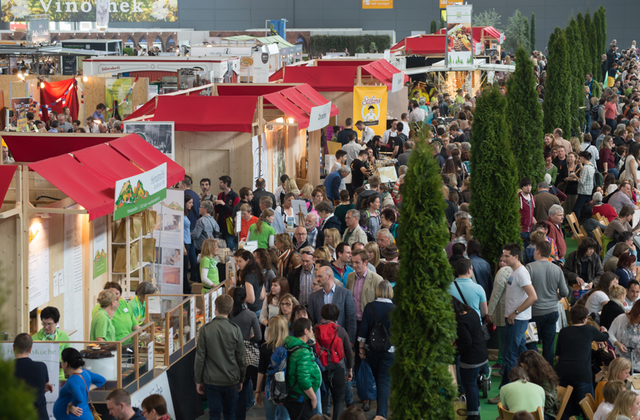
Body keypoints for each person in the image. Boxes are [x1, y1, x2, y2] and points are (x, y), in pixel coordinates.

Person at [195, 294, 246, 420]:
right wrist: (241, 379)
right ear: (230, 309)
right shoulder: (235, 330)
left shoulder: (205, 330)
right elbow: (241, 358)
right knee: (230, 414)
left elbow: (200, 358)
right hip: (231, 379)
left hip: (211, 380)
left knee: (214, 414)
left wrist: (198, 380)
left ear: (215, 307)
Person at [555, 305, 609, 419]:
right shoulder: (590, 330)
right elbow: (604, 337)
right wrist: (604, 331)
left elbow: (557, 357)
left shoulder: (563, 331)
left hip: (562, 372)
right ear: (585, 319)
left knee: (565, 407)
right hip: (582, 373)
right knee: (588, 409)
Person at [525, 240, 569, 366]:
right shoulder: (557, 269)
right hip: (551, 311)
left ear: (538, 251)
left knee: (531, 342)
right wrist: (556, 296)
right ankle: (547, 371)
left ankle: (534, 368)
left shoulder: (529, 268)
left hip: (533, 313)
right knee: (548, 345)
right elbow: (565, 292)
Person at [450, 296, 487, 420]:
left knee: (469, 385)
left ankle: (472, 415)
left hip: (471, 358)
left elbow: (466, 342)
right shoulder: (471, 311)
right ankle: (475, 410)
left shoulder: (459, 320)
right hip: (481, 352)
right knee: (473, 384)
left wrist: (454, 352)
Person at [229, 287, 262, 420]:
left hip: (230, 353)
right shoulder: (251, 315)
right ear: (244, 299)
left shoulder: (229, 315)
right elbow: (259, 337)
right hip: (246, 355)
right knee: (244, 385)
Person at [317, 304, 354, 419]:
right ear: (337, 315)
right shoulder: (340, 330)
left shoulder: (315, 329)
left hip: (321, 369)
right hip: (338, 368)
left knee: (323, 399)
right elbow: (348, 352)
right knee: (339, 399)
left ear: (321, 314)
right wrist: (350, 369)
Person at [282, 318, 322, 420]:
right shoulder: (302, 351)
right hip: (300, 397)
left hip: (292, 395)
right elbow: (303, 380)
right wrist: (313, 398)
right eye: (311, 329)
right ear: (305, 331)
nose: (312, 331)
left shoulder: (289, 344)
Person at [53, 348, 106, 420]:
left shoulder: (72, 381)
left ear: (66, 363)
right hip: (84, 415)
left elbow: (79, 398)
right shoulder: (86, 373)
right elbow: (102, 380)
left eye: (62, 361)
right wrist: (86, 388)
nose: (61, 364)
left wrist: (71, 405)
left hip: (75, 417)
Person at [309, 266, 357, 345]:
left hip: (339, 341)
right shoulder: (313, 297)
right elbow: (312, 320)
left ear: (329, 277)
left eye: (320, 276)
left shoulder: (345, 294)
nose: (317, 279)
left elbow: (351, 319)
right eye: (317, 276)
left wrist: (350, 341)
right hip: (320, 342)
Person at [254, 315, 291, 420]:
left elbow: (261, 371)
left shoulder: (265, 347)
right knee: (285, 417)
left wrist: (257, 391)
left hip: (269, 387)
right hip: (286, 387)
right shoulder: (289, 347)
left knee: (270, 417)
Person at [13, 333, 52, 420]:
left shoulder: (6, 370)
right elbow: (44, 389)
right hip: (39, 415)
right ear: (31, 349)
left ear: (13, 348)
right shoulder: (42, 367)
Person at [487, 255, 513, 373]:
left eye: (504, 261)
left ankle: (504, 367)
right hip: (510, 313)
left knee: (503, 340)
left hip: (503, 313)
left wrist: (489, 311)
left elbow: (495, 294)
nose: (502, 263)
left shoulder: (502, 274)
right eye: (500, 260)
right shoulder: (515, 271)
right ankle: (503, 364)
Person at [517, 350, 561, 420]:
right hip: (532, 409)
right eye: (521, 367)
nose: (523, 370)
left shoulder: (545, 377)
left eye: (525, 367)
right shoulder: (530, 375)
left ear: (532, 366)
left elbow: (549, 403)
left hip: (547, 413)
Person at [32, 306, 70, 380]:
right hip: (41, 377)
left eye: (49, 324)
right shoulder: (34, 339)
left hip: (59, 377)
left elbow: (68, 358)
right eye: (44, 323)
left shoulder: (64, 336)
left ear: (56, 323)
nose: (46, 327)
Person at [347, 249, 384, 325]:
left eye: (357, 262)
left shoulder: (377, 279)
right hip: (353, 320)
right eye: (352, 262)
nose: (354, 265)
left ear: (365, 262)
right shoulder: (350, 277)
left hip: (369, 321)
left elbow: (380, 303)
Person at [234, 250, 265, 315]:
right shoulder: (258, 272)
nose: (237, 264)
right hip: (259, 309)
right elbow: (262, 296)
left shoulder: (248, 277)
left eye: (240, 261)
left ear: (247, 261)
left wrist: (240, 299)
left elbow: (251, 299)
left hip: (252, 311)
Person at [214, 175, 240, 250]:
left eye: (221, 182)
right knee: (220, 245)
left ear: (226, 183)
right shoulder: (220, 195)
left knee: (230, 244)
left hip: (229, 224)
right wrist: (216, 204)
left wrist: (224, 204)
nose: (219, 184)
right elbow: (217, 211)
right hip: (220, 223)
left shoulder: (235, 196)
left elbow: (235, 211)